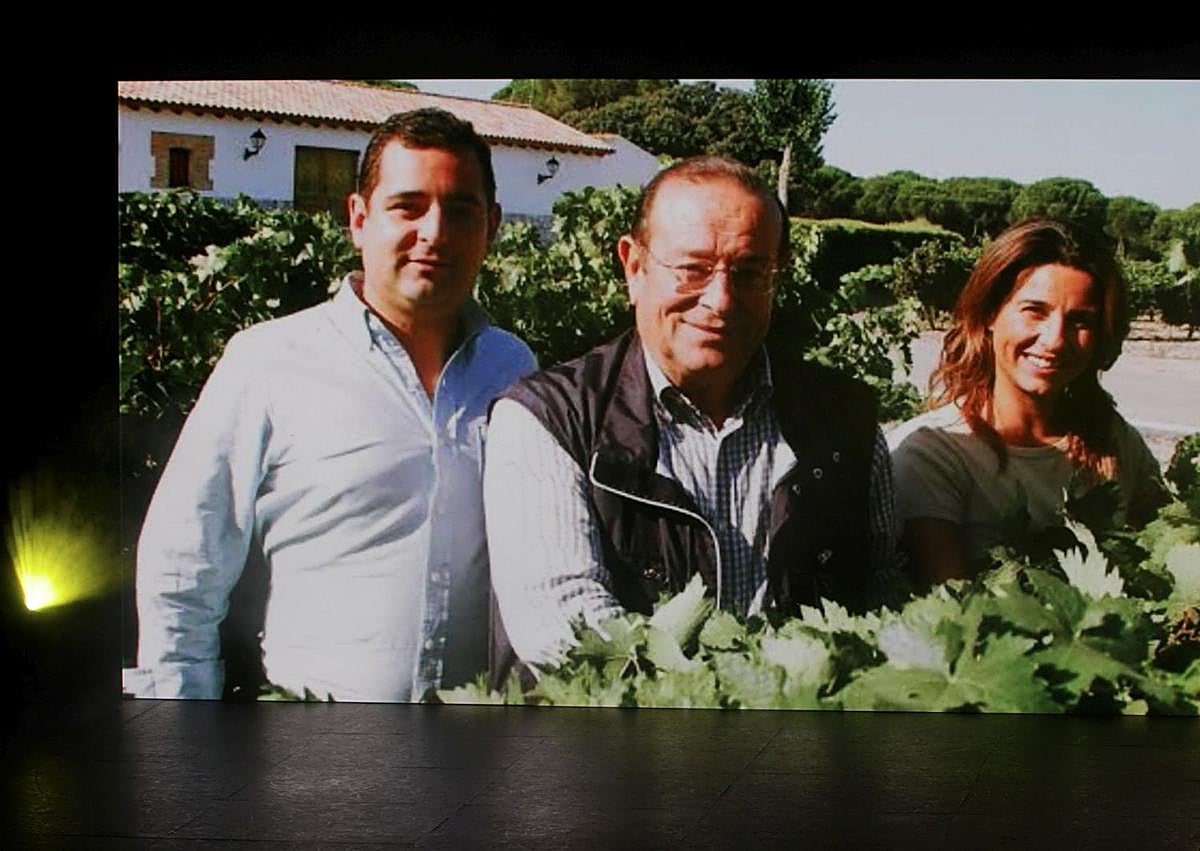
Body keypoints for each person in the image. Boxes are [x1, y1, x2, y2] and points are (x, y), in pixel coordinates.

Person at [133, 108, 536, 701]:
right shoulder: (268, 362)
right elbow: (183, 567)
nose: (435, 232)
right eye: (408, 206)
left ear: (492, 226)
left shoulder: (516, 369)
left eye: (460, 210)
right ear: (358, 218)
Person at [484, 156, 895, 670]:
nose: (720, 300)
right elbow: (568, 633)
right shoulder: (549, 419)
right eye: (692, 269)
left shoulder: (845, 422)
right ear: (634, 268)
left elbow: (878, 602)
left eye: (750, 272)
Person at [889, 218, 1169, 587]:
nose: (1055, 340)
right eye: (1034, 310)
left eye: (1080, 320)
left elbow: (1167, 549)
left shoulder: (1113, 440)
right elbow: (955, 615)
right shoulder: (933, 453)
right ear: (990, 314)